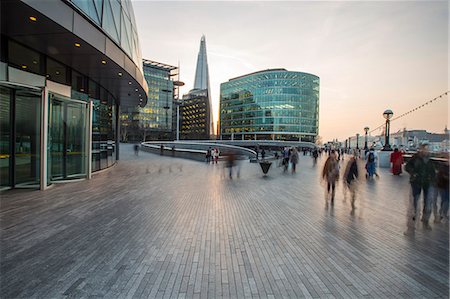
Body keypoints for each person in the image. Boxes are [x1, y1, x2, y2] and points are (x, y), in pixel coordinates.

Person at [405, 144, 436, 228]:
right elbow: (407, 167)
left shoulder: (430, 160)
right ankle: (414, 215)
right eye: (425, 149)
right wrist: (413, 173)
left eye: (428, 149)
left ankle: (425, 220)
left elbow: (432, 171)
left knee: (428, 202)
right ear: (421, 150)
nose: (427, 151)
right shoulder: (415, 158)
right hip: (416, 182)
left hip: (427, 182)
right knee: (415, 200)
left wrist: (433, 179)